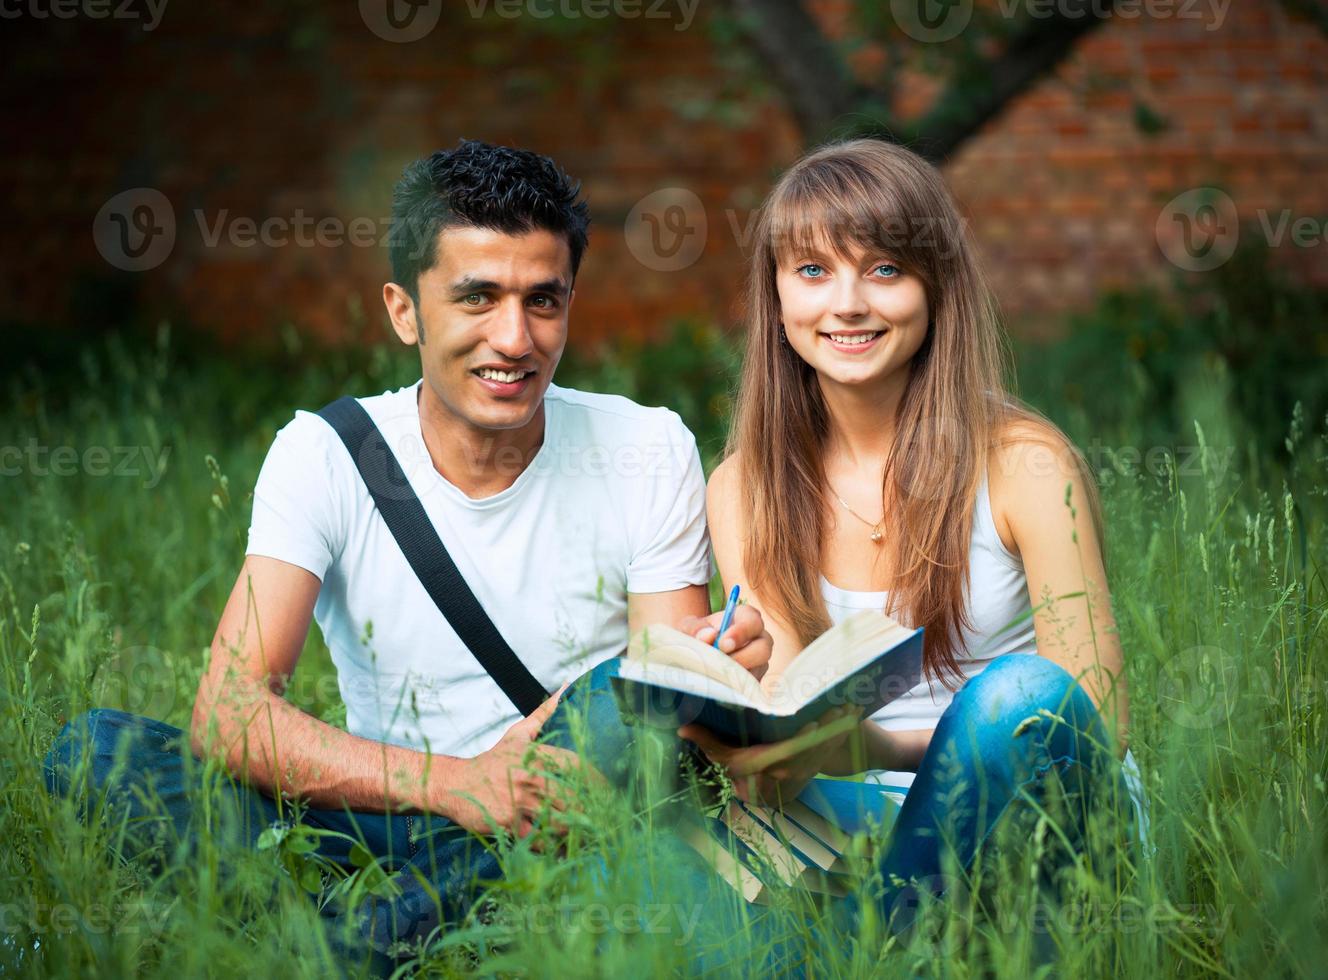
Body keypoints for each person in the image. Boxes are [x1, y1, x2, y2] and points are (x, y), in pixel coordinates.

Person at [41, 139, 771, 970]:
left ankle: (339, 943)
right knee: (95, 752)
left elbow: (658, 720)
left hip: (564, 821)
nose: (515, 338)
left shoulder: (645, 445)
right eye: (477, 298)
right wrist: (461, 786)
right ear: (403, 310)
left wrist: (709, 673)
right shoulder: (327, 453)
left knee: (622, 702)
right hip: (380, 814)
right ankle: (409, 926)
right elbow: (229, 711)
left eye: (543, 300)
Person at [686, 137, 1147, 912]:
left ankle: (891, 942)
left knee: (1016, 696)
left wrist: (875, 748)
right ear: (776, 298)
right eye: (813, 271)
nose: (848, 304)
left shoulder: (1024, 463)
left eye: (885, 269)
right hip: (861, 818)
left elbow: (1095, 719)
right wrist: (742, 718)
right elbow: (803, 722)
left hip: (1032, 815)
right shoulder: (744, 487)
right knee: (673, 830)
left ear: (937, 288)